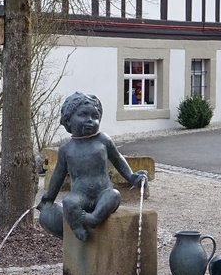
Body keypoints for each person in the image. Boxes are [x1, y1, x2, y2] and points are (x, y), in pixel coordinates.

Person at [38, 92, 147, 241]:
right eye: (83, 115)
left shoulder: (103, 140)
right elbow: (58, 175)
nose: (90, 121)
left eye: (95, 117)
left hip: (103, 193)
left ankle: (93, 219)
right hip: (80, 196)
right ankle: (77, 227)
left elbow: (118, 160)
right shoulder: (66, 149)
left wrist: (131, 176)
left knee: (114, 195)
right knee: (69, 202)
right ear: (68, 120)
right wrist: (49, 197)